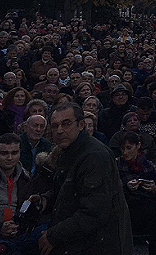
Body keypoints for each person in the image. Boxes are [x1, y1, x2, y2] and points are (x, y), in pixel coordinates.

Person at [35, 102, 133, 255]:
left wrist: (53, 236)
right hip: (79, 239)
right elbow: (68, 191)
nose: (60, 130)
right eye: (55, 126)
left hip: (99, 244)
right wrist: (46, 200)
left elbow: (94, 212)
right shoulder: (67, 151)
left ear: (81, 125)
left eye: (66, 124)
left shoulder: (94, 156)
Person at [116, 131, 156, 255]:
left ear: (138, 146)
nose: (125, 152)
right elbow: (113, 190)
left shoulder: (146, 165)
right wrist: (125, 185)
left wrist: (154, 189)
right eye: (123, 149)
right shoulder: (117, 165)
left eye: (129, 148)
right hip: (128, 209)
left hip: (148, 207)